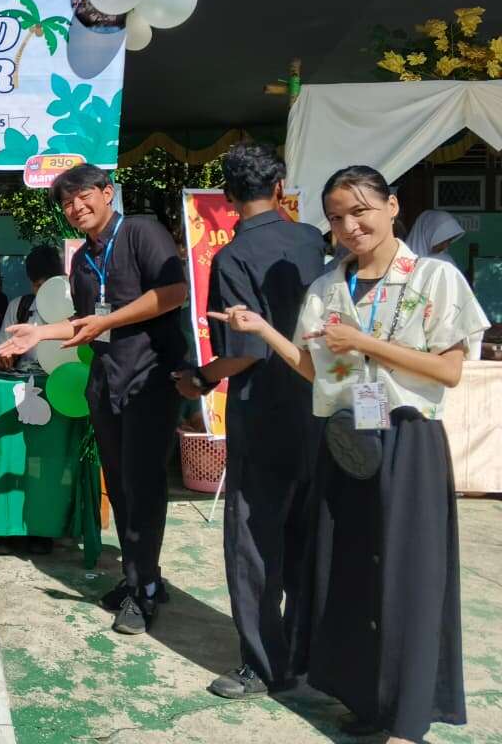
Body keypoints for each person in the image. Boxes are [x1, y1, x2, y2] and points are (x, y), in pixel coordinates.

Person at [210, 165, 488, 743]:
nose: (349, 226)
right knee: (351, 573)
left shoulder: (433, 278)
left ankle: (405, 718)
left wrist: (363, 341)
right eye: (337, 218)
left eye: (360, 210)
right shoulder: (327, 287)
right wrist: (262, 329)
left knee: (408, 577)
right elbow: (315, 370)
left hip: (407, 440)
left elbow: (448, 371)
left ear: (392, 206)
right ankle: (366, 699)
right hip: (345, 439)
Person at [0, 165, 187, 636]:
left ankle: (144, 590)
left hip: (149, 379)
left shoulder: (141, 232)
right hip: (106, 382)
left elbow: (174, 292)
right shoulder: (82, 259)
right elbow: (85, 322)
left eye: (83, 196)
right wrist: (39, 333)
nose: (75, 208)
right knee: (119, 485)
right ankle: (140, 576)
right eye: (67, 203)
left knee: (144, 487)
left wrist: (110, 321)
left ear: (106, 193)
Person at [172, 144, 325, 700]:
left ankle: (263, 664)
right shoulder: (313, 241)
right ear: (280, 188)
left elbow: (243, 353)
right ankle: (307, 658)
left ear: (228, 197)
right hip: (319, 405)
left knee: (254, 541)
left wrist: (199, 378)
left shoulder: (233, 257)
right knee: (307, 536)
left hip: (263, 414)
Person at [0, 246, 64, 374]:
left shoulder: (75, 308)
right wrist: (4, 358)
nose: (44, 292)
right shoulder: (19, 307)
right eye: (38, 286)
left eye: (48, 285)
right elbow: (2, 351)